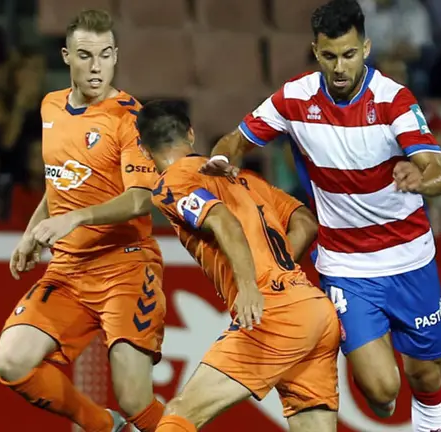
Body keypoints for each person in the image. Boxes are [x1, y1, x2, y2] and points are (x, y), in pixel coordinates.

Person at [201, 1, 441, 431]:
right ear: (316, 52)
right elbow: (236, 138)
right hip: (346, 265)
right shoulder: (294, 98)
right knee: (382, 394)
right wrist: (223, 157)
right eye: (330, 56)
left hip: (410, 260)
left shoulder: (394, 100)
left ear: (366, 48)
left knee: (425, 376)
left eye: (350, 55)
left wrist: (420, 178)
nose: (340, 67)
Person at [0, 9, 166, 432]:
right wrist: (32, 234)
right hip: (69, 270)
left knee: (134, 398)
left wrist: (76, 220)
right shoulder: (50, 106)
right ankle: (102, 425)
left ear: (116, 56)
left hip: (125, 265)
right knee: (11, 361)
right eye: (85, 55)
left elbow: (142, 199)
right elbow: (61, 183)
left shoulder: (130, 117)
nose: (96, 66)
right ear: (66, 56)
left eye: (105, 55)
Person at [136, 101, 339, 432]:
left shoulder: (172, 183)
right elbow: (305, 223)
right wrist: (279, 271)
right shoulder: (245, 178)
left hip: (272, 312)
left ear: (143, 150)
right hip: (313, 308)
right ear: (191, 133)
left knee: (180, 414)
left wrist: (250, 286)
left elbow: (221, 220)